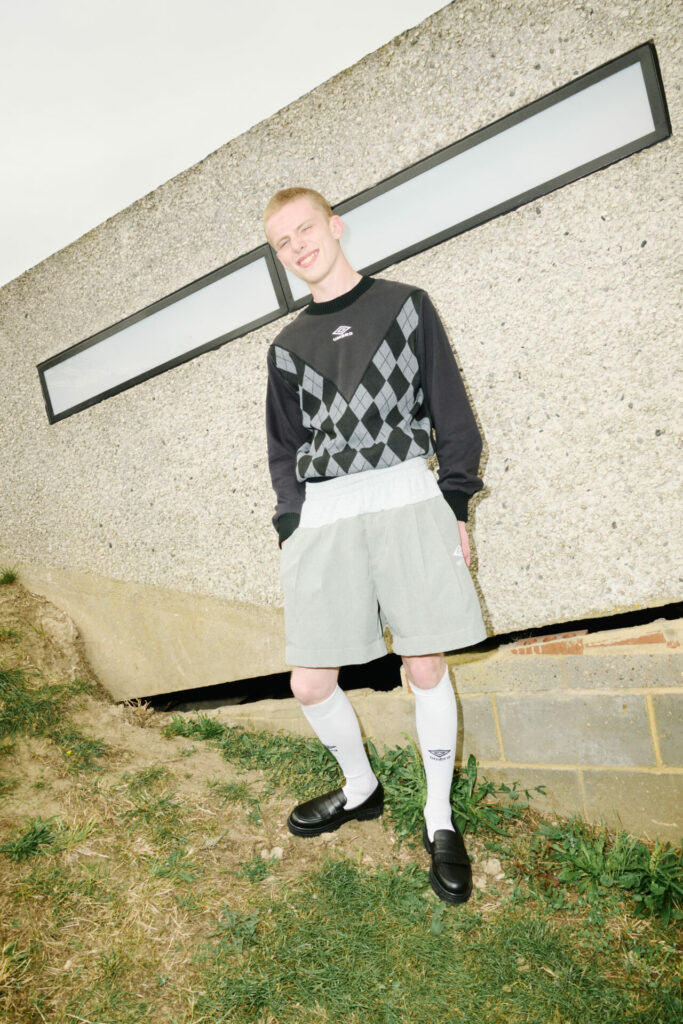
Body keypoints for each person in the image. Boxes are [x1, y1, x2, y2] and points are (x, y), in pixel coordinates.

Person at [264, 187, 486, 904]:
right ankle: (360, 787)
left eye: (305, 230)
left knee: (423, 664)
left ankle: (438, 817)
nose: (299, 247)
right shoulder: (285, 346)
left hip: (404, 495)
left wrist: (453, 500)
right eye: (283, 242)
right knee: (309, 681)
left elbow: (449, 407)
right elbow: (283, 446)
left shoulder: (404, 303)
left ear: (333, 227)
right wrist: (291, 525)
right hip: (324, 511)